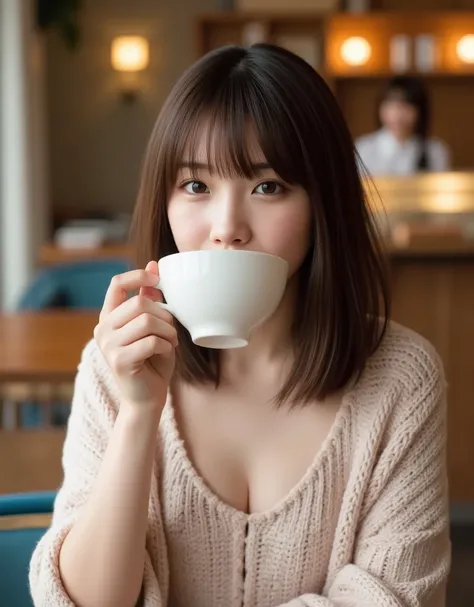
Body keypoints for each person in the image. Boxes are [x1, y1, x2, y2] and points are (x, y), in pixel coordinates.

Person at [29, 44, 450, 607]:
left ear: (323, 203)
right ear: (166, 201)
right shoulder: (118, 361)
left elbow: (396, 596)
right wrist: (136, 415)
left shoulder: (401, 378)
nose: (226, 228)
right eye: (196, 186)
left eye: (267, 186)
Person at [356, 75, 451, 176]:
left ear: (420, 111)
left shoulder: (435, 151)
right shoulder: (364, 149)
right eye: (391, 106)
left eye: (405, 106)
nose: (398, 114)